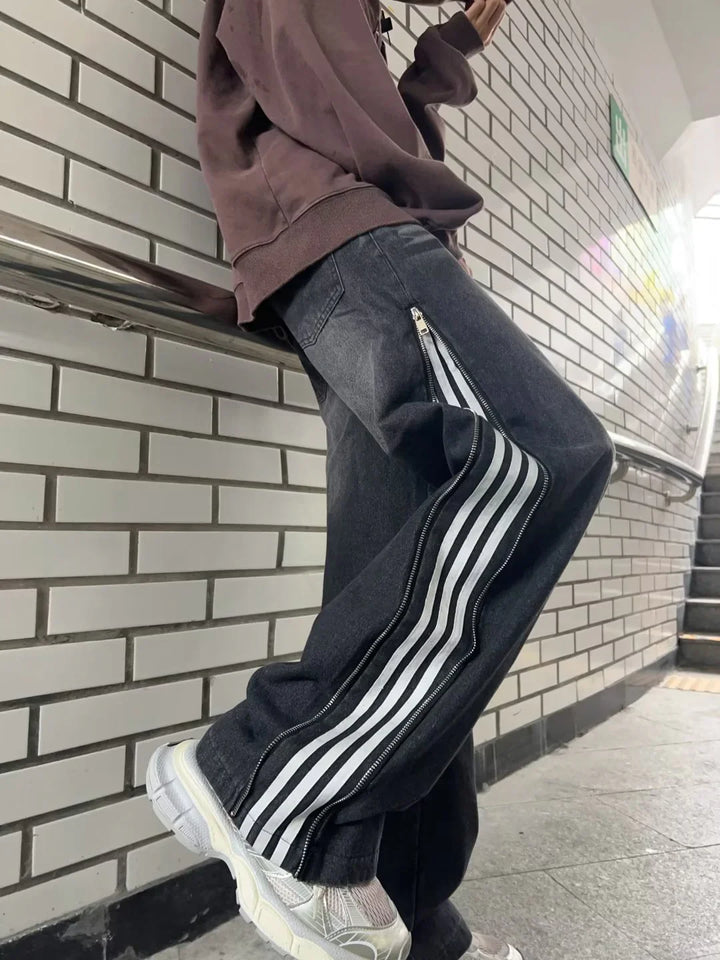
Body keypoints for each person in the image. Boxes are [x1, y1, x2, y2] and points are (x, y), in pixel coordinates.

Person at [146, 2, 615, 959]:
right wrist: (416, 213)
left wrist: (449, 48)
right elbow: (330, 101)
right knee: (546, 454)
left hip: (343, 238)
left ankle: (418, 920)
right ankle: (263, 772)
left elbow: (357, 93)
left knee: (400, 589)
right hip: (349, 237)